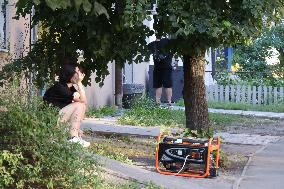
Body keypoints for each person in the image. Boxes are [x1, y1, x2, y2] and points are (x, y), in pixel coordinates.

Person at [43, 63, 90, 147]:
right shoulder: (60, 87)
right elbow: (82, 102)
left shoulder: (70, 88)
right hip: (50, 121)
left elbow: (84, 103)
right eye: (77, 72)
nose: (79, 75)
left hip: (58, 119)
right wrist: (79, 83)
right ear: (69, 73)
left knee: (81, 106)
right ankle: (73, 137)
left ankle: (75, 137)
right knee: (79, 105)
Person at [149, 37, 173, 105]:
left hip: (159, 67)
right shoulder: (167, 41)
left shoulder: (152, 44)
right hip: (164, 67)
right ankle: (168, 102)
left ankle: (158, 102)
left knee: (159, 85)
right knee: (166, 85)